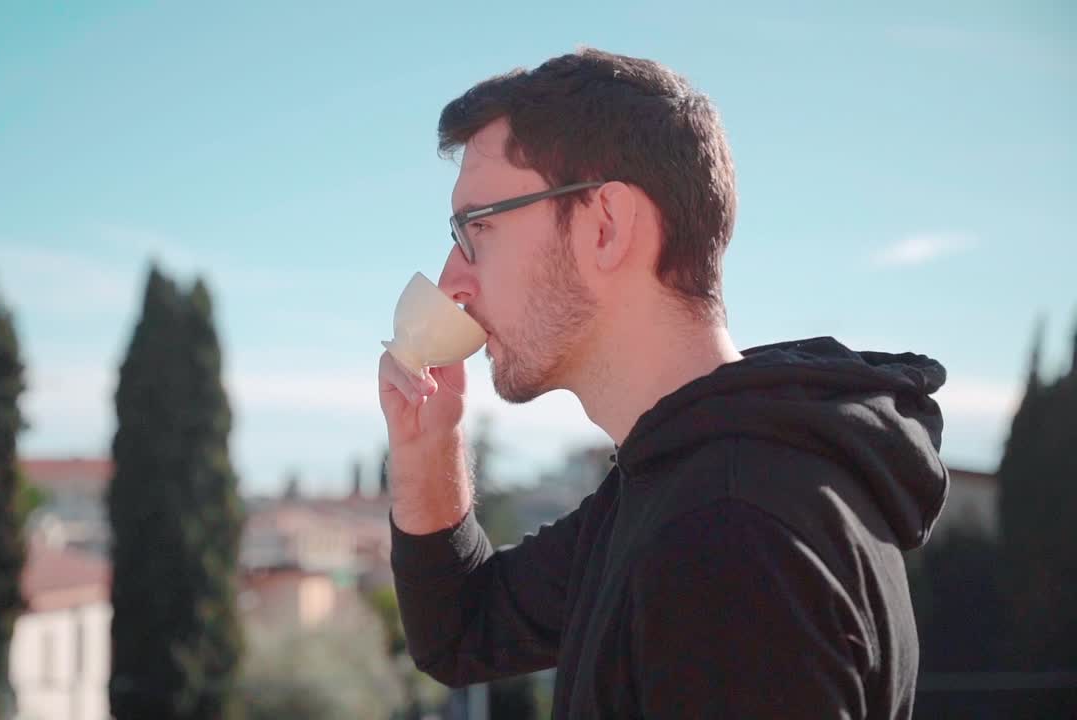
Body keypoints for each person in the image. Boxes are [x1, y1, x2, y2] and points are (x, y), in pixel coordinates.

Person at [376, 48, 948, 718]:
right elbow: (463, 632)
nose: (452, 280)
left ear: (606, 227)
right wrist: (426, 446)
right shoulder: (680, 478)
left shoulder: (727, 540)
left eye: (481, 227)